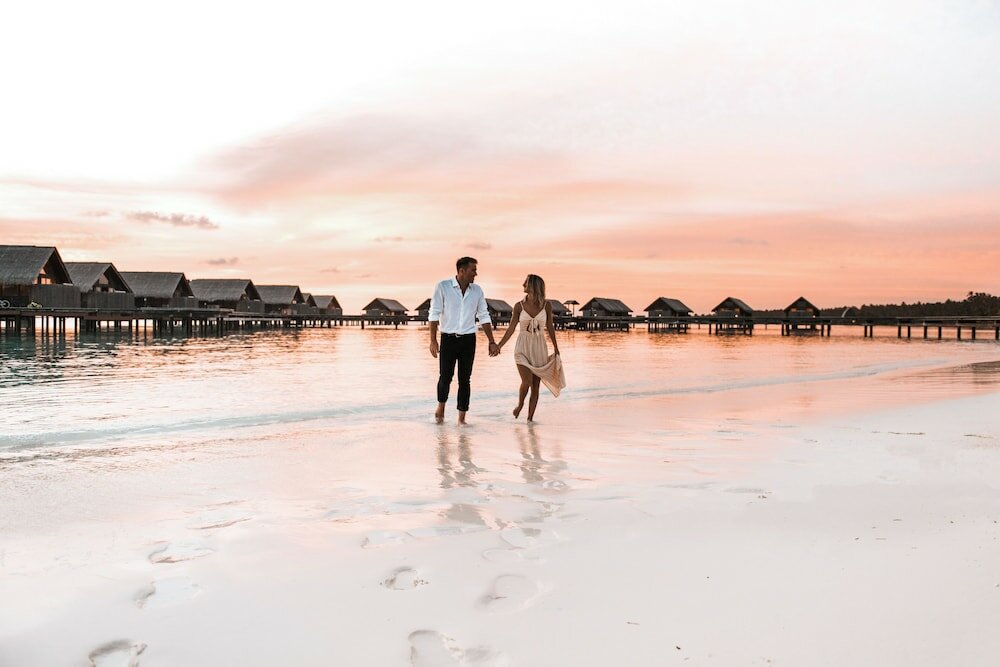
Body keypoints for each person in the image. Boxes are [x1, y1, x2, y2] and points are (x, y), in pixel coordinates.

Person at [428, 257, 499, 424]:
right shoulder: (443, 286)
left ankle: (461, 419)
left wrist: (491, 341)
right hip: (448, 338)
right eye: (473, 270)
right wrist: (432, 340)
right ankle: (441, 407)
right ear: (462, 271)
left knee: (465, 379)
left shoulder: (477, 291)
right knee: (445, 376)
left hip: (468, 340)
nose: (476, 273)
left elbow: (484, 315)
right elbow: (434, 313)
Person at [496, 274, 566, 421]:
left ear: (533, 285)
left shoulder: (547, 305)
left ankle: (529, 420)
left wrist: (556, 347)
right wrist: (499, 346)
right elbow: (511, 329)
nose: (523, 285)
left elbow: (550, 327)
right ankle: (520, 405)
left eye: (526, 283)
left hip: (539, 347)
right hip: (522, 347)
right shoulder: (518, 306)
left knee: (535, 386)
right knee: (526, 382)